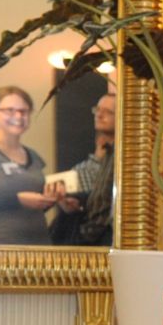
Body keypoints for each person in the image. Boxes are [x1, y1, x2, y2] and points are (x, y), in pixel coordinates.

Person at [0, 86, 62, 245]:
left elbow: (34, 205)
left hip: (38, 245)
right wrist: (17, 200)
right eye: (9, 110)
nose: (18, 116)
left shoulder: (33, 156)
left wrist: (51, 200)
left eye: (24, 111)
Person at [51, 90, 117, 246]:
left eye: (108, 112)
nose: (99, 115)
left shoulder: (123, 163)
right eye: (98, 110)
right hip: (85, 237)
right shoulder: (80, 169)